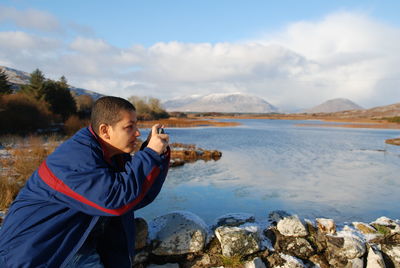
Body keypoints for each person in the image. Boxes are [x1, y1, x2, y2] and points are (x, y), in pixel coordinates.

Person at [0, 96, 170, 268]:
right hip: (37, 255)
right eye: (129, 127)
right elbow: (114, 201)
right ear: (105, 130)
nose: (137, 133)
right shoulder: (75, 159)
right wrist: (150, 155)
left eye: (137, 125)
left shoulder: (113, 156)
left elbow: (137, 196)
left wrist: (157, 155)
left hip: (76, 248)